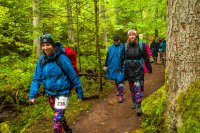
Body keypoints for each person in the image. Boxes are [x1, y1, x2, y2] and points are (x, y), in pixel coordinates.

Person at [29, 34, 84, 133]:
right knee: (58, 114)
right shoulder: (42, 60)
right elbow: (36, 78)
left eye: (48, 44)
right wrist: (32, 94)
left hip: (63, 93)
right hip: (50, 93)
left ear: (53, 45)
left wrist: (80, 92)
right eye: (43, 45)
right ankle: (67, 129)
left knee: (57, 118)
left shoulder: (62, 58)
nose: (46, 48)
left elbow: (73, 76)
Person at [120, 29, 152, 116]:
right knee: (132, 88)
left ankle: (138, 105)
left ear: (136, 36)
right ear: (128, 37)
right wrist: (120, 68)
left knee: (138, 86)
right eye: (130, 35)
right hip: (129, 69)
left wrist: (149, 68)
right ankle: (134, 102)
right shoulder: (125, 46)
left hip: (139, 69)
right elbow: (122, 57)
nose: (131, 36)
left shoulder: (141, 45)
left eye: (133, 35)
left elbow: (146, 57)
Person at [103, 35, 124, 103]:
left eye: (117, 40)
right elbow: (107, 56)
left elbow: (126, 56)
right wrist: (105, 65)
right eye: (114, 40)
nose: (116, 41)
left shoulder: (122, 47)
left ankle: (120, 96)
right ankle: (118, 89)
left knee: (120, 80)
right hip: (112, 66)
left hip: (121, 66)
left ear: (119, 40)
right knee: (116, 79)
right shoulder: (110, 48)